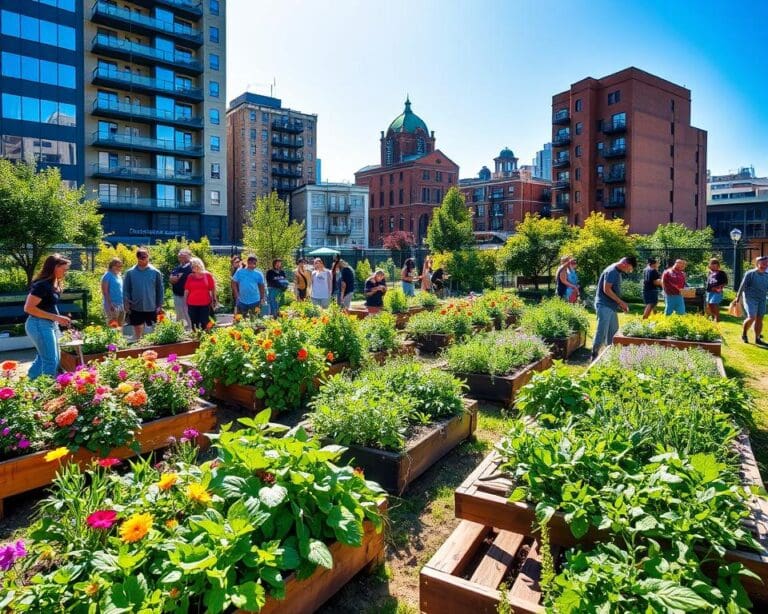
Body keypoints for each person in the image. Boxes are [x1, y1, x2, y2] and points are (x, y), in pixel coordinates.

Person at [23, 254, 71, 379]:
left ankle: (29, 383)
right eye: (64, 269)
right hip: (38, 324)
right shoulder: (42, 285)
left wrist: (59, 319)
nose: (66, 272)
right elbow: (28, 308)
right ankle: (48, 392)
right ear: (55, 267)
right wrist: (56, 318)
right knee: (51, 361)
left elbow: (49, 305)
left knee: (47, 358)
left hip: (49, 324)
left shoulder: (54, 284)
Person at [592, 256, 636, 359]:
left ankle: (610, 355)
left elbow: (612, 291)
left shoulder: (617, 271)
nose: (628, 271)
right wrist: (621, 302)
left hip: (610, 306)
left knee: (613, 332)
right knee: (601, 331)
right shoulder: (612, 271)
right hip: (604, 305)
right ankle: (594, 355)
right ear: (624, 263)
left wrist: (620, 304)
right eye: (629, 269)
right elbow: (606, 289)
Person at [123, 248, 164, 340]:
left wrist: (159, 305)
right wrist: (126, 302)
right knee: (137, 330)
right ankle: (138, 344)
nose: (144, 258)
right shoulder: (130, 272)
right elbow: (126, 289)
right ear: (137, 258)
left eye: (146, 256)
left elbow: (160, 290)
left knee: (155, 330)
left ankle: (153, 348)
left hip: (152, 306)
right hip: (136, 306)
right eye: (142, 257)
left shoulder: (155, 272)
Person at [735, 255, 768, 344]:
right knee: (752, 316)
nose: (765, 265)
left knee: (759, 319)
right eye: (763, 263)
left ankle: (757, 338)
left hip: (762, 299)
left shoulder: (766, 275)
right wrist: (737, 297)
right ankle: (744, 334)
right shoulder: (750, 273)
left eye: (766, 264)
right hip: (750, 298)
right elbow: (742, 285)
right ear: (757, 264)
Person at [184, 257, 217, 330]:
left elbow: (212, 289)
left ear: (198, 265)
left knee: (205, 322)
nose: (191, 267)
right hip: (192, 303)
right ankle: (196, 339)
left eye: (193, 265)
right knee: (194, 323)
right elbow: (186, 290)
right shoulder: (190, 276)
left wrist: (214, 300)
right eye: (191, 266)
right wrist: (184, 302)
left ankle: (205, 338)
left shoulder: (207, 275)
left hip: (205, 303)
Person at [169, 248, 192, 328]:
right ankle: (181, 331)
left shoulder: (192, 268)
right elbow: (172, 279)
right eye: (179, 256)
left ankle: (191, 331)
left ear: (189, 256)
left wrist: (176, 277)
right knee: (179, 315)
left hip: (189, 296)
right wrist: (177, 276)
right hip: (177, 295)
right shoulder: (177, 268)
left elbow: (175, 278)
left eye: (183, 256)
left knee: (188, 314)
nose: (180, 258)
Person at [101, 258, 125, 327]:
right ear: (112, 266)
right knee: (113, 327)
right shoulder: (107, 276)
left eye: (120, 266)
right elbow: (105, 292)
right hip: (112, 305)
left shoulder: (118, 276)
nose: (119, 268)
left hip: (121, 305)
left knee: (120, 327)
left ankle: (120, 338)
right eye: (117, 266)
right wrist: (110, 304)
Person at [705, 258, 728, 322]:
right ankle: (713, 317)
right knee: (709, 304)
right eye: (712, 265)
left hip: (717, 291)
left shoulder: (721, 273)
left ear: (718, 266)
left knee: (714, 303)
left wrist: (719, 288)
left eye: (716, 265)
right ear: (710, 265)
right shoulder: (710, 273)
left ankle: (717, 318)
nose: (714, 266)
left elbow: (725, 282)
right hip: (709, 291)